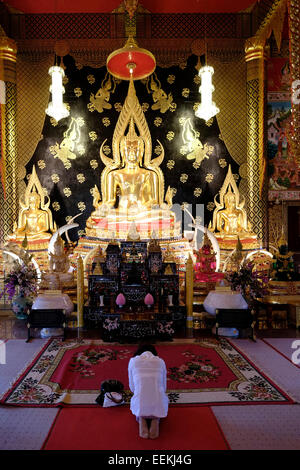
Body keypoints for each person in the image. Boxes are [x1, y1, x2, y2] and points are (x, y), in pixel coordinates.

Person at [128, 343, 168, 439]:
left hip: (140, 401)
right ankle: (155, 419)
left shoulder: (133, 361)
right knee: (159, 396)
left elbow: (132, 387)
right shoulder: (160, 361)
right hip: (157, 400)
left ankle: (141, 418)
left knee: (139, 396)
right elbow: (164, 386)